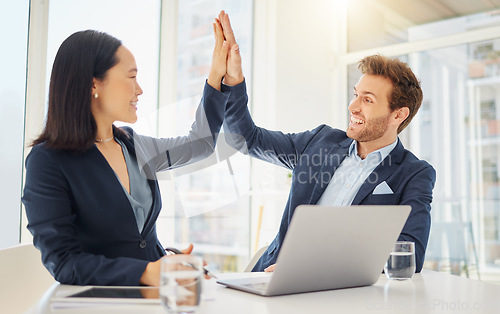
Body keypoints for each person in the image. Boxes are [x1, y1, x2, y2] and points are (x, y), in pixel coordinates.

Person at [22, 15, 235, 286]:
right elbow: (64, 263)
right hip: (103, 304)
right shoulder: (48, 161)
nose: (140, 89)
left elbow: (201, 143)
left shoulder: (134, 145)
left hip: (154, 299)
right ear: (93, 84)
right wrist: (148, 273)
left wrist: (217, 74)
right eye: (132, 77)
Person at [215, 11, 436, 273]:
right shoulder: (320, 142)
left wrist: (314, 268)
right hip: (269, 277)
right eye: (355, 95)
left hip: (340, 296)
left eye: (367, 100)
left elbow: (408, 256)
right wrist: (233, 80)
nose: (352, 106)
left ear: (398, 114)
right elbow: (246, 139)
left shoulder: (414, 174)